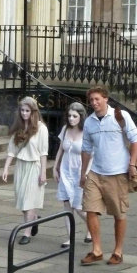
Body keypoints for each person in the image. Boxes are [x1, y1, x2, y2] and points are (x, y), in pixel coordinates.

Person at [80, 86, 137, 266]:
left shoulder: (119, 116)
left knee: (119, 213)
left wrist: (132, 164)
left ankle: (118, 251)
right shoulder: (89, 122)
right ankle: (97, 250)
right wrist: (83, 173)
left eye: (97, 99)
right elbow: (86, 149)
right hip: (95, 172)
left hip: (117, 172)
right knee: (90, 208)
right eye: (91, 100)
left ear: (106, 98)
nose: (94, 103)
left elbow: (136, 139)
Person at [2, 97, 48, 245]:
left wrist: (43, 173)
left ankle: (26, 233)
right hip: (21, 166)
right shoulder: (19, 127)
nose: (24, 113)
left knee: (29, 201)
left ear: (33, 111)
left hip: (34, 166)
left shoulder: (41, 128)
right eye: (22, 110)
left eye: (27, 111)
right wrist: (6, 167)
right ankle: (34, 219)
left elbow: (43, 152)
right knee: (22, 201)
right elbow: (12, 150)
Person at [53, 102, 91, 247]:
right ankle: (70, 237)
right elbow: (60, 150)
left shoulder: (86, 132)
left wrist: (86, 173)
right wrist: (55, 167)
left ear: (81, 117)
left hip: (80, 172)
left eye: (74, 116)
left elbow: (91, 155)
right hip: (65, 170)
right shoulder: (65, 129)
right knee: (66, 205)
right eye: (69, 115)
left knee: (79, 207)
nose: (71, 119)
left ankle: (91, 226)